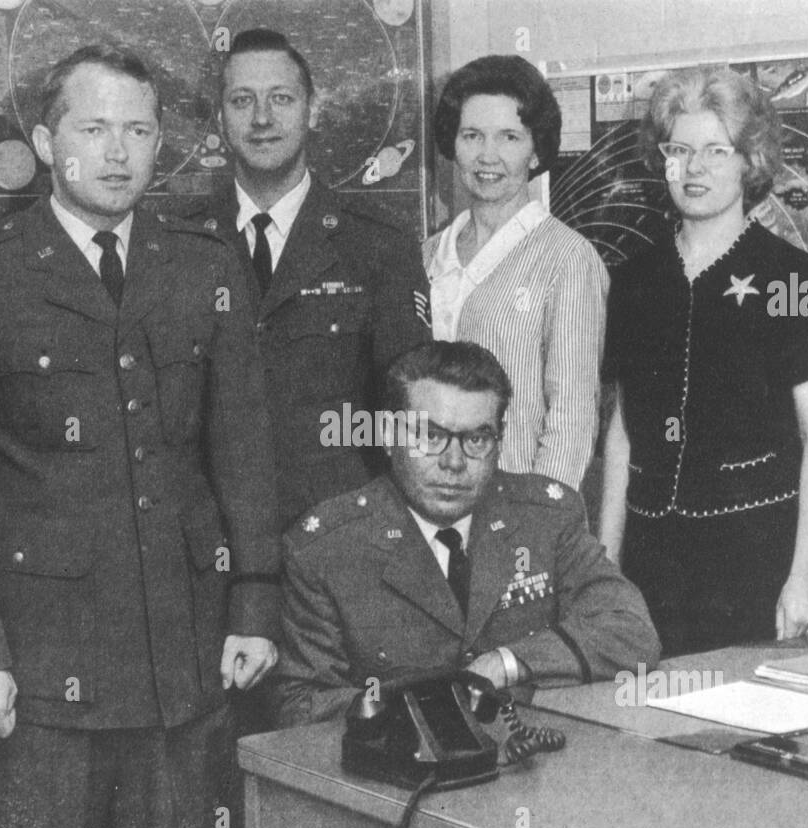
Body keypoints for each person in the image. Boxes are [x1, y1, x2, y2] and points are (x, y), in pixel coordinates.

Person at [0, 45, 281, 828]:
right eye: (95, 127)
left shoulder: (204, 267)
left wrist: (253, 602)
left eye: (139, 130)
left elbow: (244, 453)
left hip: (184, 661)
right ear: (46, 144)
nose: (118, 153)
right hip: (39, 675)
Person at [272, 340, 659, 727]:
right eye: (429, 435)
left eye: (476, 439)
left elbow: (631, 631)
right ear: (389, 434)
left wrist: (508, 663)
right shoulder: (327, 549)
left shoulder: (546, 518)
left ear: (498, 441)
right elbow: (302, 706)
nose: (453, 462)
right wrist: (431, 709)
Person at [598, 66, 808, 658]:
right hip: (652, 562)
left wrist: (806, 573)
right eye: (679, 149)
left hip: (757, 558)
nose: (696, 167)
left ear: (748, 161)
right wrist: (603, 566)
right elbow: (625, 434)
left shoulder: (796, 277)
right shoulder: (633, 280)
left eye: (716, 149)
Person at [187, 28, 430, 529]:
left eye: (281, 98)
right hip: (213, 542)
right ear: (220, 118)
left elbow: (405, 412)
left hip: (341, 535)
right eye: (241, 100)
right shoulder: (180, 246)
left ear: (312, 110)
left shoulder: (379, 244)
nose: (261, 118)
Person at [423, 55, 608, 490]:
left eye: (509, 136)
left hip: (515, 509)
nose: (488, 155)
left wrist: (540, 521)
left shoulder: (568, 258)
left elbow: (572, 419)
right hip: (428, 504)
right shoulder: (428, 255)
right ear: (453, 143)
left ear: (536, 148)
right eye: (472, 135)